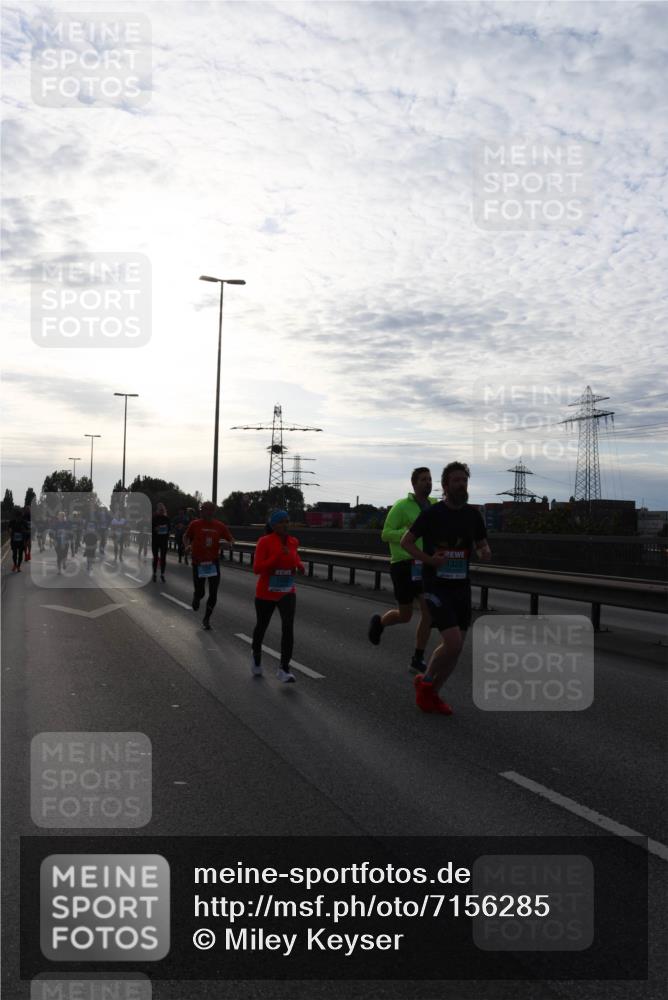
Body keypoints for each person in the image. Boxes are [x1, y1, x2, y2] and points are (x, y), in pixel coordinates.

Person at [401, 462, 491, 715]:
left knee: (457, 647)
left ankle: (432, 693)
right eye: (456, 481)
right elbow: (406, 542)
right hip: (436, 586)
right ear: (445, 485)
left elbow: (482, 543)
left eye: (464, 480)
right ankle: (426, 681)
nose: (461, 485)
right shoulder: (433, 513)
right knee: (452, 642)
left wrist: (485, 552)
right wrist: (429, 560)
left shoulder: (473, 515)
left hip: (461, 586)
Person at [368, 467, 438, 672]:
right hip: (404, 564)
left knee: (428, 610)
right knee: (405, 615)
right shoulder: (401, 506)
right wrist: (406, 532)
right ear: (414, 484)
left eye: (430, 479)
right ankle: (380, 623)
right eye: (424, 479)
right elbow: (385, 534)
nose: (428, 483)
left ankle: (417, 657)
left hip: (425, 563)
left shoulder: (435, 506)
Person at [251, 510, 305, 682]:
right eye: (281, 522)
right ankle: (256, 657)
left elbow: (294, 559)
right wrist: (276, 557)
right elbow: (257, 568)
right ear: (273, 525)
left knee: (288, 628)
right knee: (262, 626)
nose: (285, 524)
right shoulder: (264, 541)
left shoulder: (293, 541)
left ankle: (284, 669)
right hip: (266, 592)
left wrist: (300, 565)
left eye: (287, 521)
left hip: (287, 591)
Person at [183, 501, 234, 630]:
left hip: (213, 563)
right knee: (201, 592)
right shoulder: (195, 524)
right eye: (203, 509)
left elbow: (231, 539)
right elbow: (186, 536)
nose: (204, 511)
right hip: (198, 563)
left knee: (213, 593)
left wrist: (229, 544)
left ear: (212, 511)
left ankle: (206, 618)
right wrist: (187, 546)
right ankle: (197, 596)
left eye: (207, 509)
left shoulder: (220, 526)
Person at [151, 502, 171, 582]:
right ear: (157, 510)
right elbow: (150, 528)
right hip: (155, 540)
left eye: (163, 510)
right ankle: (154, 573)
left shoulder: (167, 519)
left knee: (163, 558)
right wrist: (155, 529)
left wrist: (166, 530)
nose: (162, 511)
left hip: (164, 540)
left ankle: (162, 574)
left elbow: (169, 528)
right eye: (160, 510)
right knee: (155, 558)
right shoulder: (154, 518)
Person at [8, 507, 28, 572]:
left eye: (19, 517)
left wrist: (26, 538)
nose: (18, 518)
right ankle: (15, 565)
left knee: (20, 554)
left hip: (22, 541)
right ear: (15, 517)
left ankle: (18, 566)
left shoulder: (24, 522)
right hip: (14, 541)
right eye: (17, 517)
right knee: (14, 554)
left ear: (21, 517)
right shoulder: (12, 522)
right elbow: (9, 529)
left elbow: (27, 530)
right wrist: (10, 531)